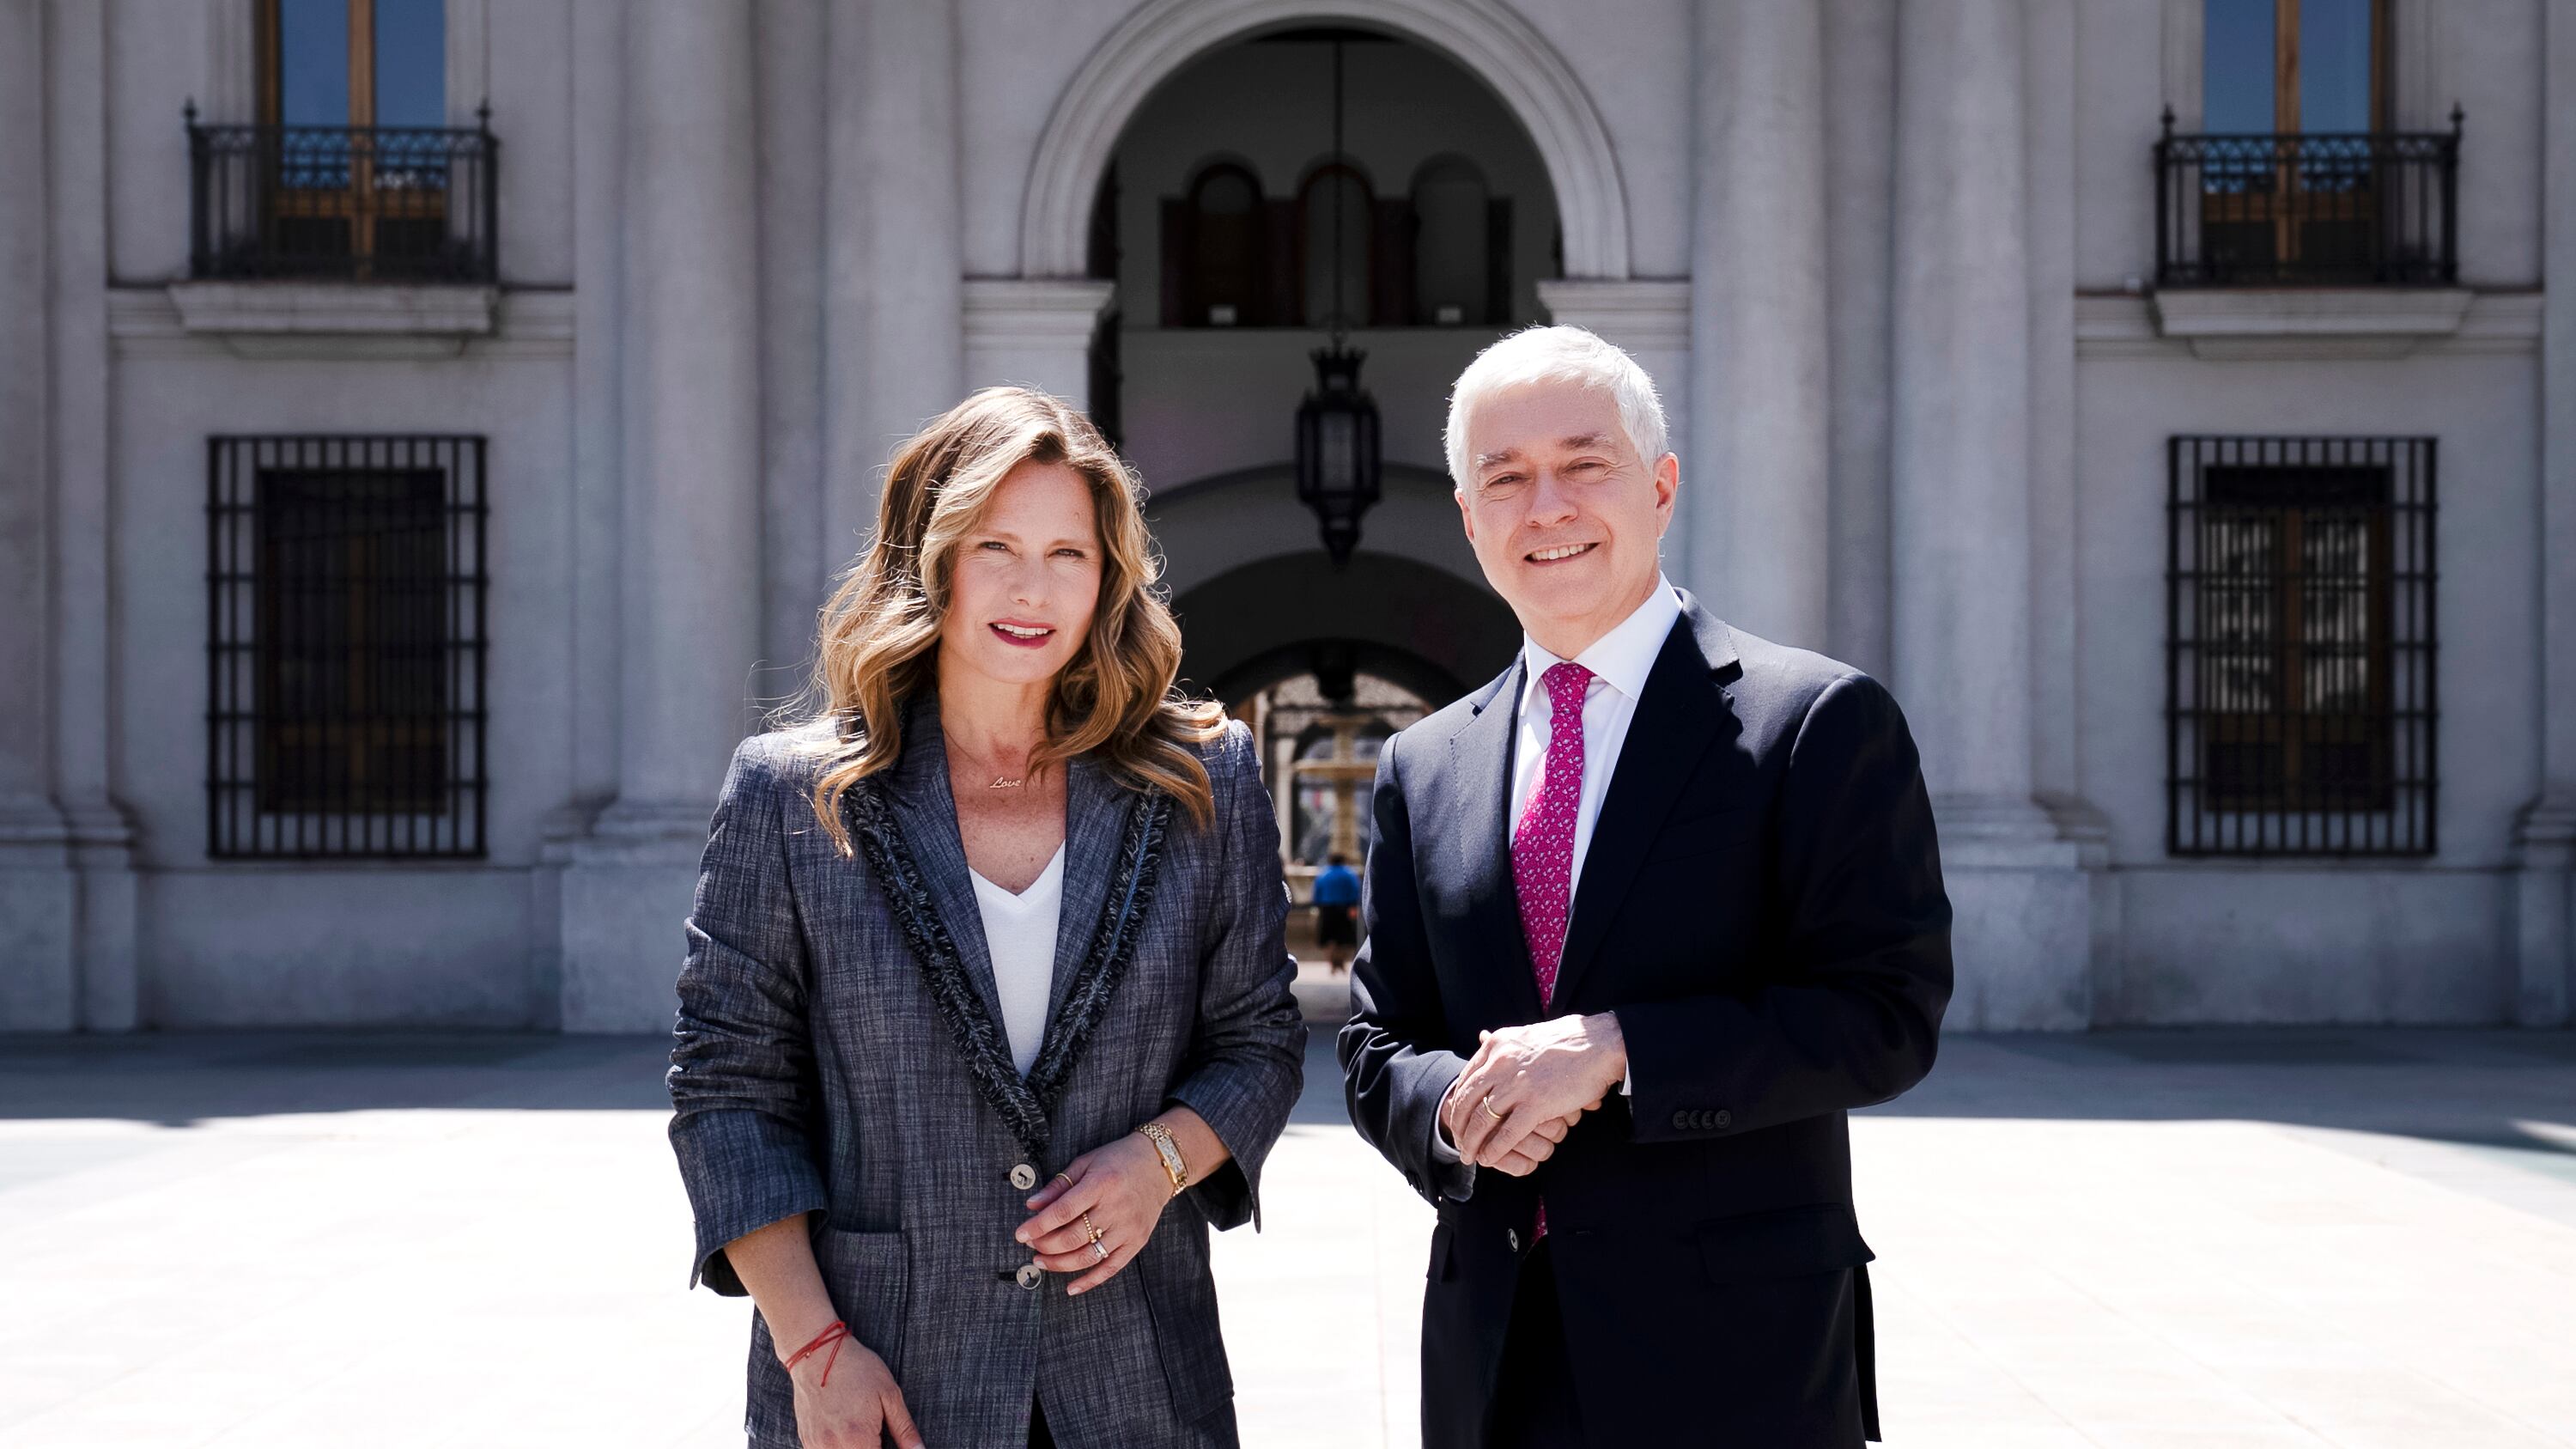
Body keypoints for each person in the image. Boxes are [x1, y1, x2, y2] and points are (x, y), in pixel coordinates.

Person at [1338, 326, 1953, 1448]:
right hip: (1493, 1366)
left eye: (1585, 464)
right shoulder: (1423, 766)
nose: (1548, 506)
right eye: (1506, 479)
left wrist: (1620, 1047)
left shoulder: (1814, 721)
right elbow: (1378, 1045)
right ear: (1471, 519)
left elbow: (1886, 1016)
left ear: (1660, 487)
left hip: (1735, 1366)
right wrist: (1456, 1112)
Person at [668, 387, 1306, 1449]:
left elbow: (1260, 1042)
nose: (1032, 588)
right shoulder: (793, 794)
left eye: (1068, 553)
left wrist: (1159, 1162)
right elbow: (728, 1090)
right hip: (875, 1382)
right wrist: (815, 1347)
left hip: (1137, 1385)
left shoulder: (1204, 778)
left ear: (1107, 576)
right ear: (930, 560)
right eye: (995, 546)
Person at [1310, 853, 1361, 974]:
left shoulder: (1324, 874)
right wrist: (1354, 906)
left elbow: (1317, 891)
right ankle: (1341, 962)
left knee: (1329, 937)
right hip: (1344, 908)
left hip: (1327, 908)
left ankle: (1332, 963)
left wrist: (1316, 905)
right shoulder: (1349, 874)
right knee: (1344, 937)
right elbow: (1355, 890)